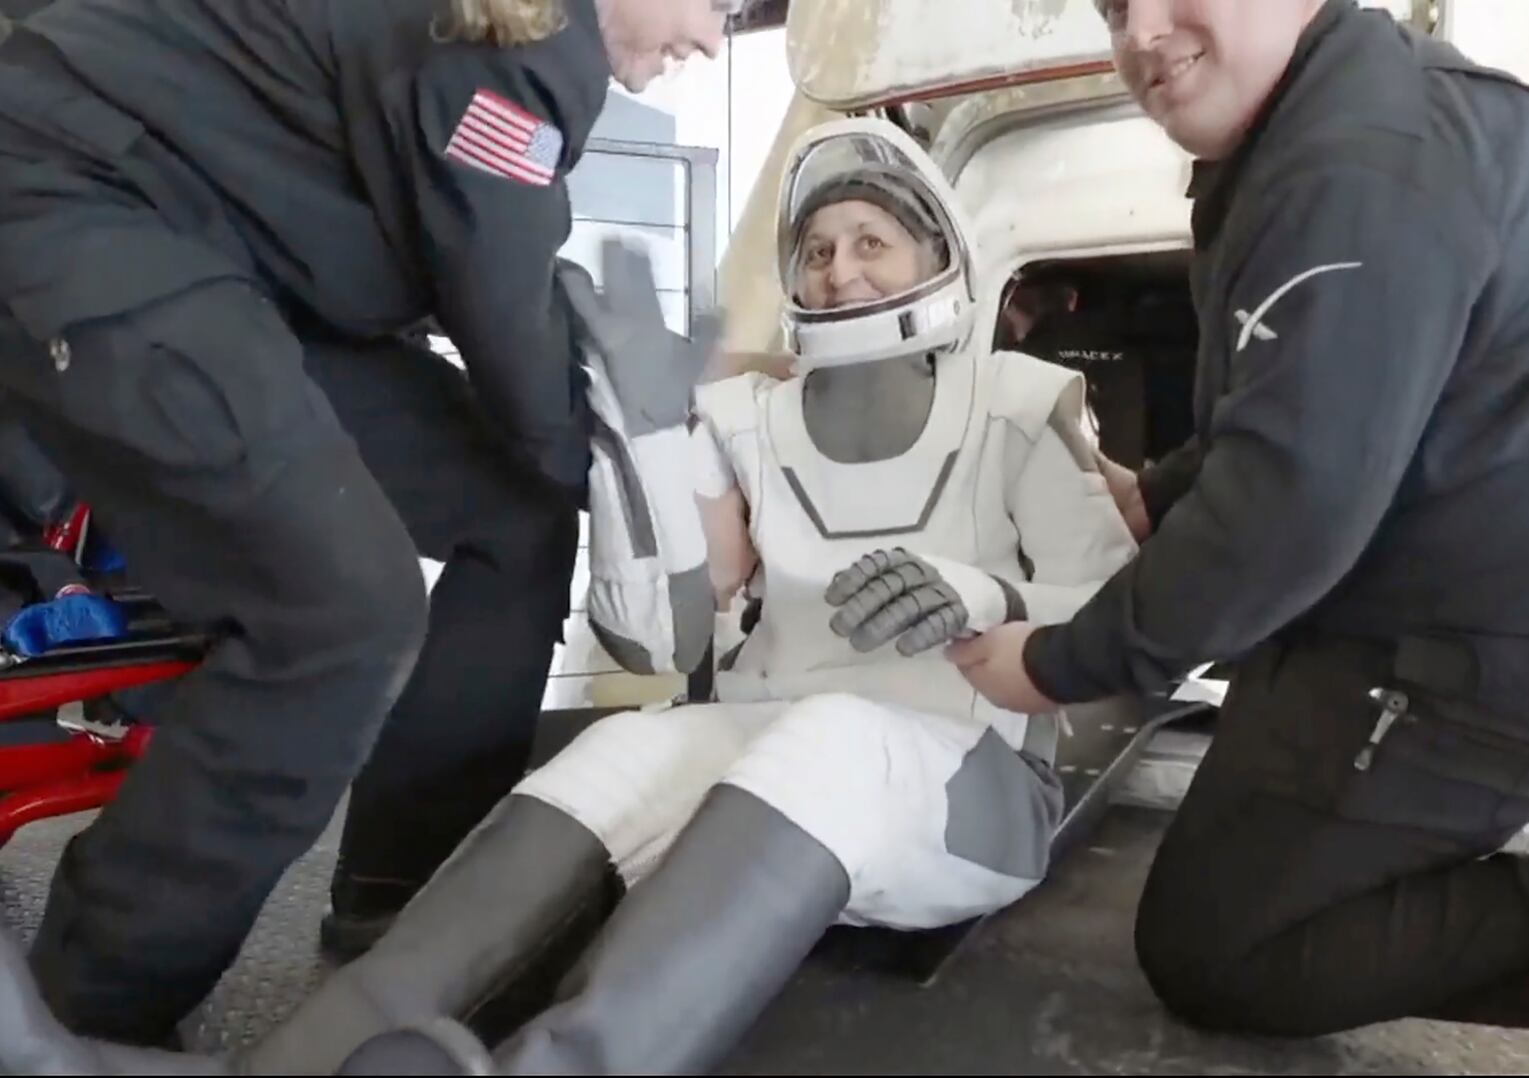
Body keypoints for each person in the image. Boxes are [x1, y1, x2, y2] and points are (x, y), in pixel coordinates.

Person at [0, 115, 1140, 1075]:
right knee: (621, 752)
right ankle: (291, 1062)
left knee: (832, 737)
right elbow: (667, 631)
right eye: (817, 249)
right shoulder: (748, 423)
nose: (838, 270)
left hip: (972, 772)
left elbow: (1119, 615)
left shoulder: (1017, 404)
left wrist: (983, 591)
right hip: (773, 730)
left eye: (870, 242)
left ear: (937, 255)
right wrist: (648, 449)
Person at [0, 0, 747, 1047]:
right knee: (339, 617)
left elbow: (471, 267)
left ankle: (405, 892)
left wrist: (594, 437)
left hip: (231, 256)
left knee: (512, 513)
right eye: (715, 3)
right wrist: (658, 484)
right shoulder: (532, 41)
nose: (714, 38)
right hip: (82, 204)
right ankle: (82, 1014)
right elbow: (501, 302)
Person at [951, 0, 1529, 1038]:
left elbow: (1281, 516)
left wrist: (1060, 662)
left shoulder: (1357, 172)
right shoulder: (1328, 122)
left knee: (1217, 945)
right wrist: (1156, 495)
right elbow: (1318, 391)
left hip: (1495, 654)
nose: (1142, 34)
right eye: (1114, 7)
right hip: (1426, 592)